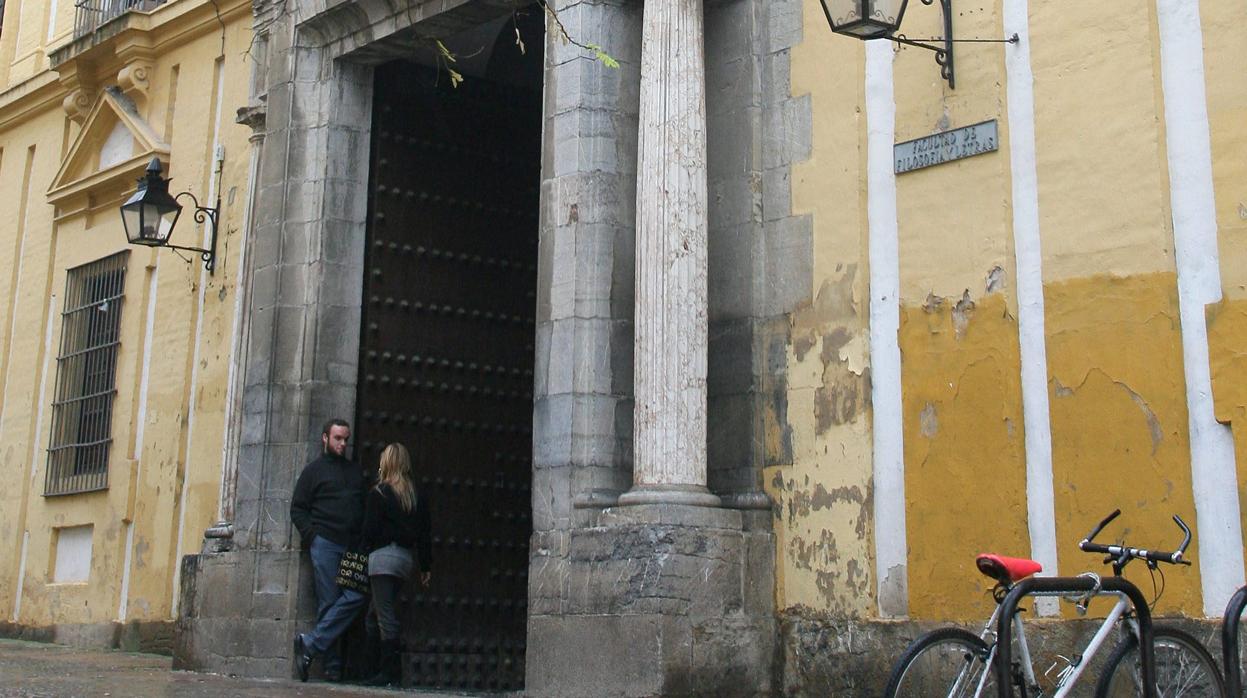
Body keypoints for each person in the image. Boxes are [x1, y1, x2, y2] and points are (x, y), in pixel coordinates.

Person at [289, 418, 369, 682]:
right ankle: (332, 668)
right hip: (324, 543)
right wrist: (313, 536)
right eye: (337, 438)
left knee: (355, 597)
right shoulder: (313, 471)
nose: (343, 443)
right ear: (325, 438)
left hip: (350, 546)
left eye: (346, 439)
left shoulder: (354, 472)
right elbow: (298, 508)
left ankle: (310, 644)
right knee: (329, 602)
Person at [359, 443, 432, 687]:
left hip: (382, 560)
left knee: (385, 617)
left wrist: (361, 553)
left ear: (387, 463)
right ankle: (369, 669)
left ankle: (389, 674)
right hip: (404, 561)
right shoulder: (415, 496)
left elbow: (369, 530)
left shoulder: (379, 493)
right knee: (374, 614)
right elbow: (425, 534)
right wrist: (425, 567)